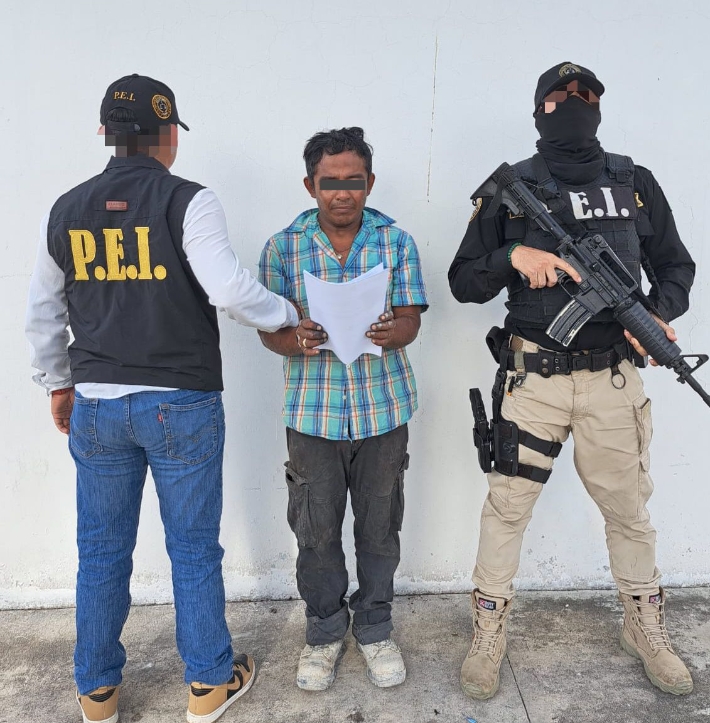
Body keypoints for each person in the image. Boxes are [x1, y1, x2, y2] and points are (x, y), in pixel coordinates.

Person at [25, 74, 300, 723]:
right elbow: (227, 290)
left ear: (106, 133)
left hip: (97, 404)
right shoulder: (188, 200)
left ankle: (97, 692)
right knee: (193, 549)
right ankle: (207, 684)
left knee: (101, 551)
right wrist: (287, 312)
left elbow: (41, 310)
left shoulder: (65, 209)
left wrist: (58, 382)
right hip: (181, 402)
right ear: (168, 135)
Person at [448, 62, 696, 700]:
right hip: (534, 380)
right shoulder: (513, 188)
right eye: (562, 96)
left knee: (629, 512)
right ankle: (489, 630)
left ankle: (644, 627)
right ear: (540, 110)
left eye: (588, 95)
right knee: (507, 507)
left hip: (613, 380)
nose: (577, 102)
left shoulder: (633, 182)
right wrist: (513, 256)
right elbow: (464, 281)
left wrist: (657, 315)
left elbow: (676, 265)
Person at [257, 127, 427, 691]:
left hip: (383, 410)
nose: (342, 193)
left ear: (369, 182)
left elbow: (411, 318)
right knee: (316, 531)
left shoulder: (395, 242)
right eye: (330, 183)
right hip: (313, 414)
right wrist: (296, 338)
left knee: (380, 528)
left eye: (354, 181)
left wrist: (393, 331)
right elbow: (269, 333)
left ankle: (375, 629)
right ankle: (325, 632)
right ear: (311, 185)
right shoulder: (283, 248)